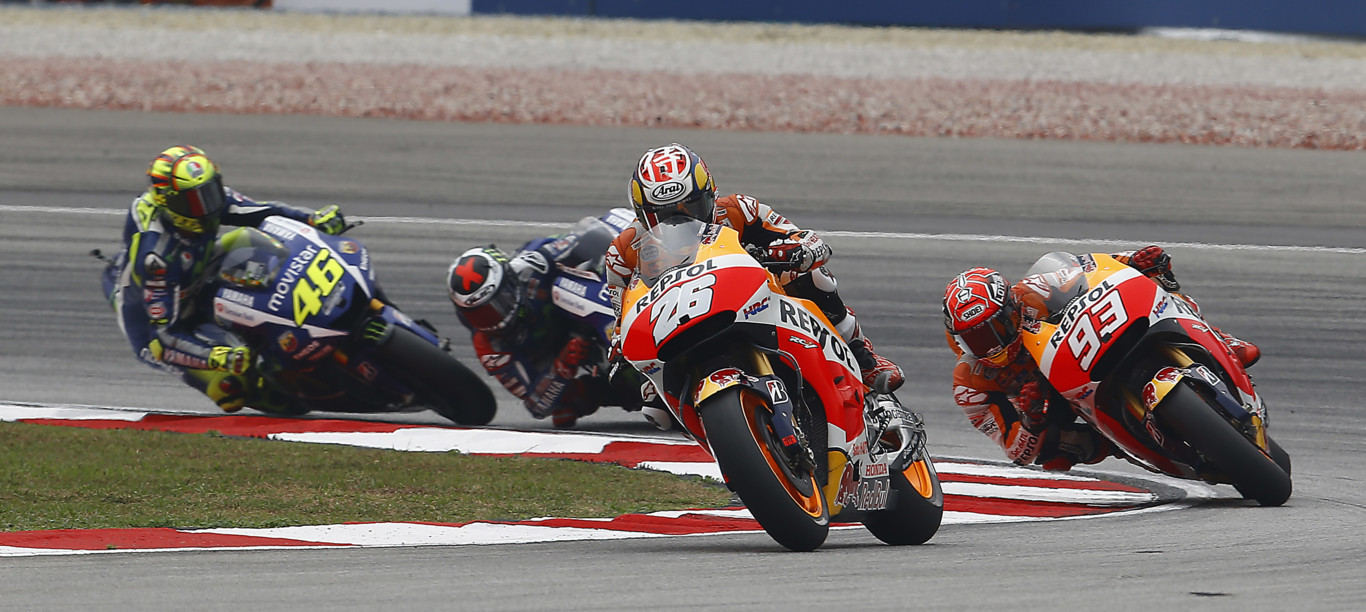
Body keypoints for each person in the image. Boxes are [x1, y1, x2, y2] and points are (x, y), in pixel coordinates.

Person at [602, 143, 904, 394]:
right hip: (678, 323)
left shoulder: (739, 210)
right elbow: (623, 315)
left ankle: (862, 357)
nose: (679, 222)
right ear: (643, 216)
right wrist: (619, 346)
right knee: (654, 404)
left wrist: (799, 251)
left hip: (754, 298)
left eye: (690, 209)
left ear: (710, 195)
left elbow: (806, 239)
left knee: (813, 277)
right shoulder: (623, 252)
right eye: (663, 216)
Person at [941, 245, 1261, 471]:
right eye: (974, 338)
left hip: (1084, 347)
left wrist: (1135, 261)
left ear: (1010, 308)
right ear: (956, 339)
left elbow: (1093, 268)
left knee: (1157, 289)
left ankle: (1218, 339)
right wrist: (1031, 418)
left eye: (994, 330)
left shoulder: (1034, 290)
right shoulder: (969, 384)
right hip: (1056, 403)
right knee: (1053, 454)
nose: (990, 345)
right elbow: (1015, 451)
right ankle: (1117, 444)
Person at [100, 145, 347, 413]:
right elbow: (164, 337)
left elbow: (262, 212)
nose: (207, 206)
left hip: (199, 271)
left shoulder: (207, 198)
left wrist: (311, 219)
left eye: (210, 191)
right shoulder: (156, 256)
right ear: (169, 204)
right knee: (230, 390)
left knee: (252, 243)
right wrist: (217, 357)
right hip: (160, 325)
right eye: (193, 201)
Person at [448, 209, 645, 429]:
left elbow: (586, 238)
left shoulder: (532, 263)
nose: (494, 319)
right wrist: (562, 365)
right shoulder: (490, 348)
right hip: (571, 352)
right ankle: (631, 390)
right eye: (480, 315)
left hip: (591, 304)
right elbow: (537, 404)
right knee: (564, 408)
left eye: (498, 305)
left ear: (510, 284)